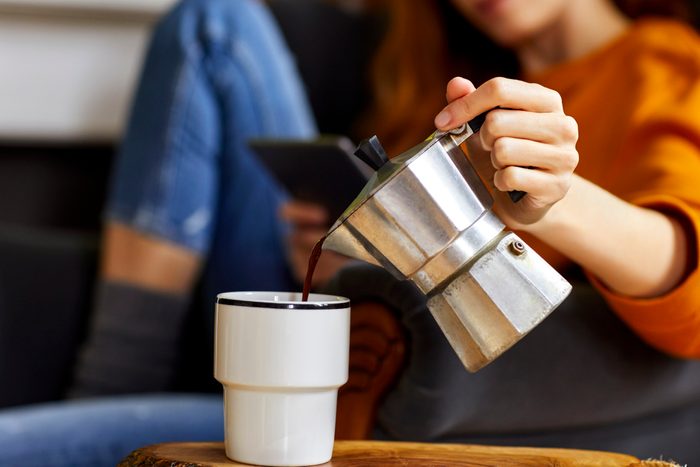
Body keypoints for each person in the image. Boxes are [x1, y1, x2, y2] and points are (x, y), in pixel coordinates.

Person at [1, 0, 699, 465]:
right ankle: (119, 387)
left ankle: (110, 394)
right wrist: (351, 251)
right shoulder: (442, 79)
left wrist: (553, 200)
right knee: (212, 21)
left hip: (358, 396)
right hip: (320, 312)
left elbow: (685, 279)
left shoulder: (663, 68)